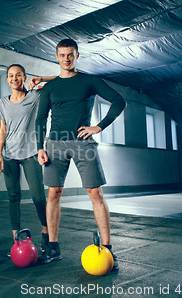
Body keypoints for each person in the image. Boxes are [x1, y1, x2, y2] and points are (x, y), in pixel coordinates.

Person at [33, 38, 126, 266]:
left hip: (83, 142)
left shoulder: (90, 81)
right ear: (56, 56)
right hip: (54, 143)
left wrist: (99, 126)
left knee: (95, 193)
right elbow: (40, 119)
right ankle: (53, 247)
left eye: (70, 54)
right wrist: (39, 147)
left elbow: (118, 101)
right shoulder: (50, 87)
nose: (66, 58)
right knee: (53, 193)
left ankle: (108, 249)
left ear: (77, 56)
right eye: (62, 54)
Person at [0, 64, 49, 256]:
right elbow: (3, 129)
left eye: (18, 75)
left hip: (31, 152)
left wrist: (41, 78)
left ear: (25, 77)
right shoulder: (3, 102)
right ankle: (16, 240)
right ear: (7, 79)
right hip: (9, 154)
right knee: (13, 197)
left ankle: (46, 234)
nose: (14, 78)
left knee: (38, 198)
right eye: (10, 75)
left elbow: (61, 80)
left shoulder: (35, 96)